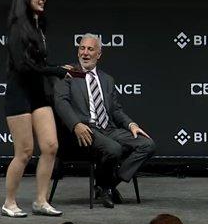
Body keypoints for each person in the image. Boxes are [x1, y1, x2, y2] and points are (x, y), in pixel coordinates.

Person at [54, 34, 156, 208]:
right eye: (82, 48)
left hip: (108, 128)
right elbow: (61, 103)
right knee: (113, 149)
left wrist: (131, 125)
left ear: (99, 54)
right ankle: (106, 187)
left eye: (90, 49)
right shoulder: (68, 74)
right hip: (85, 129)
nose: (85, 53)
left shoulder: (107, 80)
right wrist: (76, 124)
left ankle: (107, 185)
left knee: (147, 144)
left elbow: (115, 110)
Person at [3, 0, 73, 217]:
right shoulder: (17, 28)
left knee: (51, 146)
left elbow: (39, 64)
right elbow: (24, 66)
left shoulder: (39, 26)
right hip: (19, 94)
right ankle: (9, 203)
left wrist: (57, 68)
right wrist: (55, 70)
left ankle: (41, 201)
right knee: (24, 152)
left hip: (38, 94)